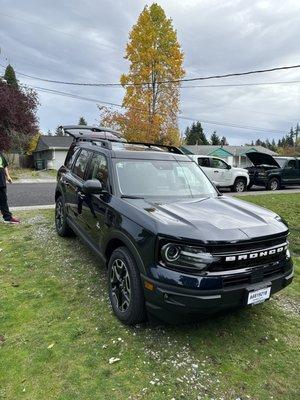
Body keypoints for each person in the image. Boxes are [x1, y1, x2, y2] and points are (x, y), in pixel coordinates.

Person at [0, 152, 20, 224]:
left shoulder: (0, 154)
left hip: (1, 180)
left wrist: (8, 176)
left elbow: (4, 166)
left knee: (3, 199)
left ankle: (7, 218)